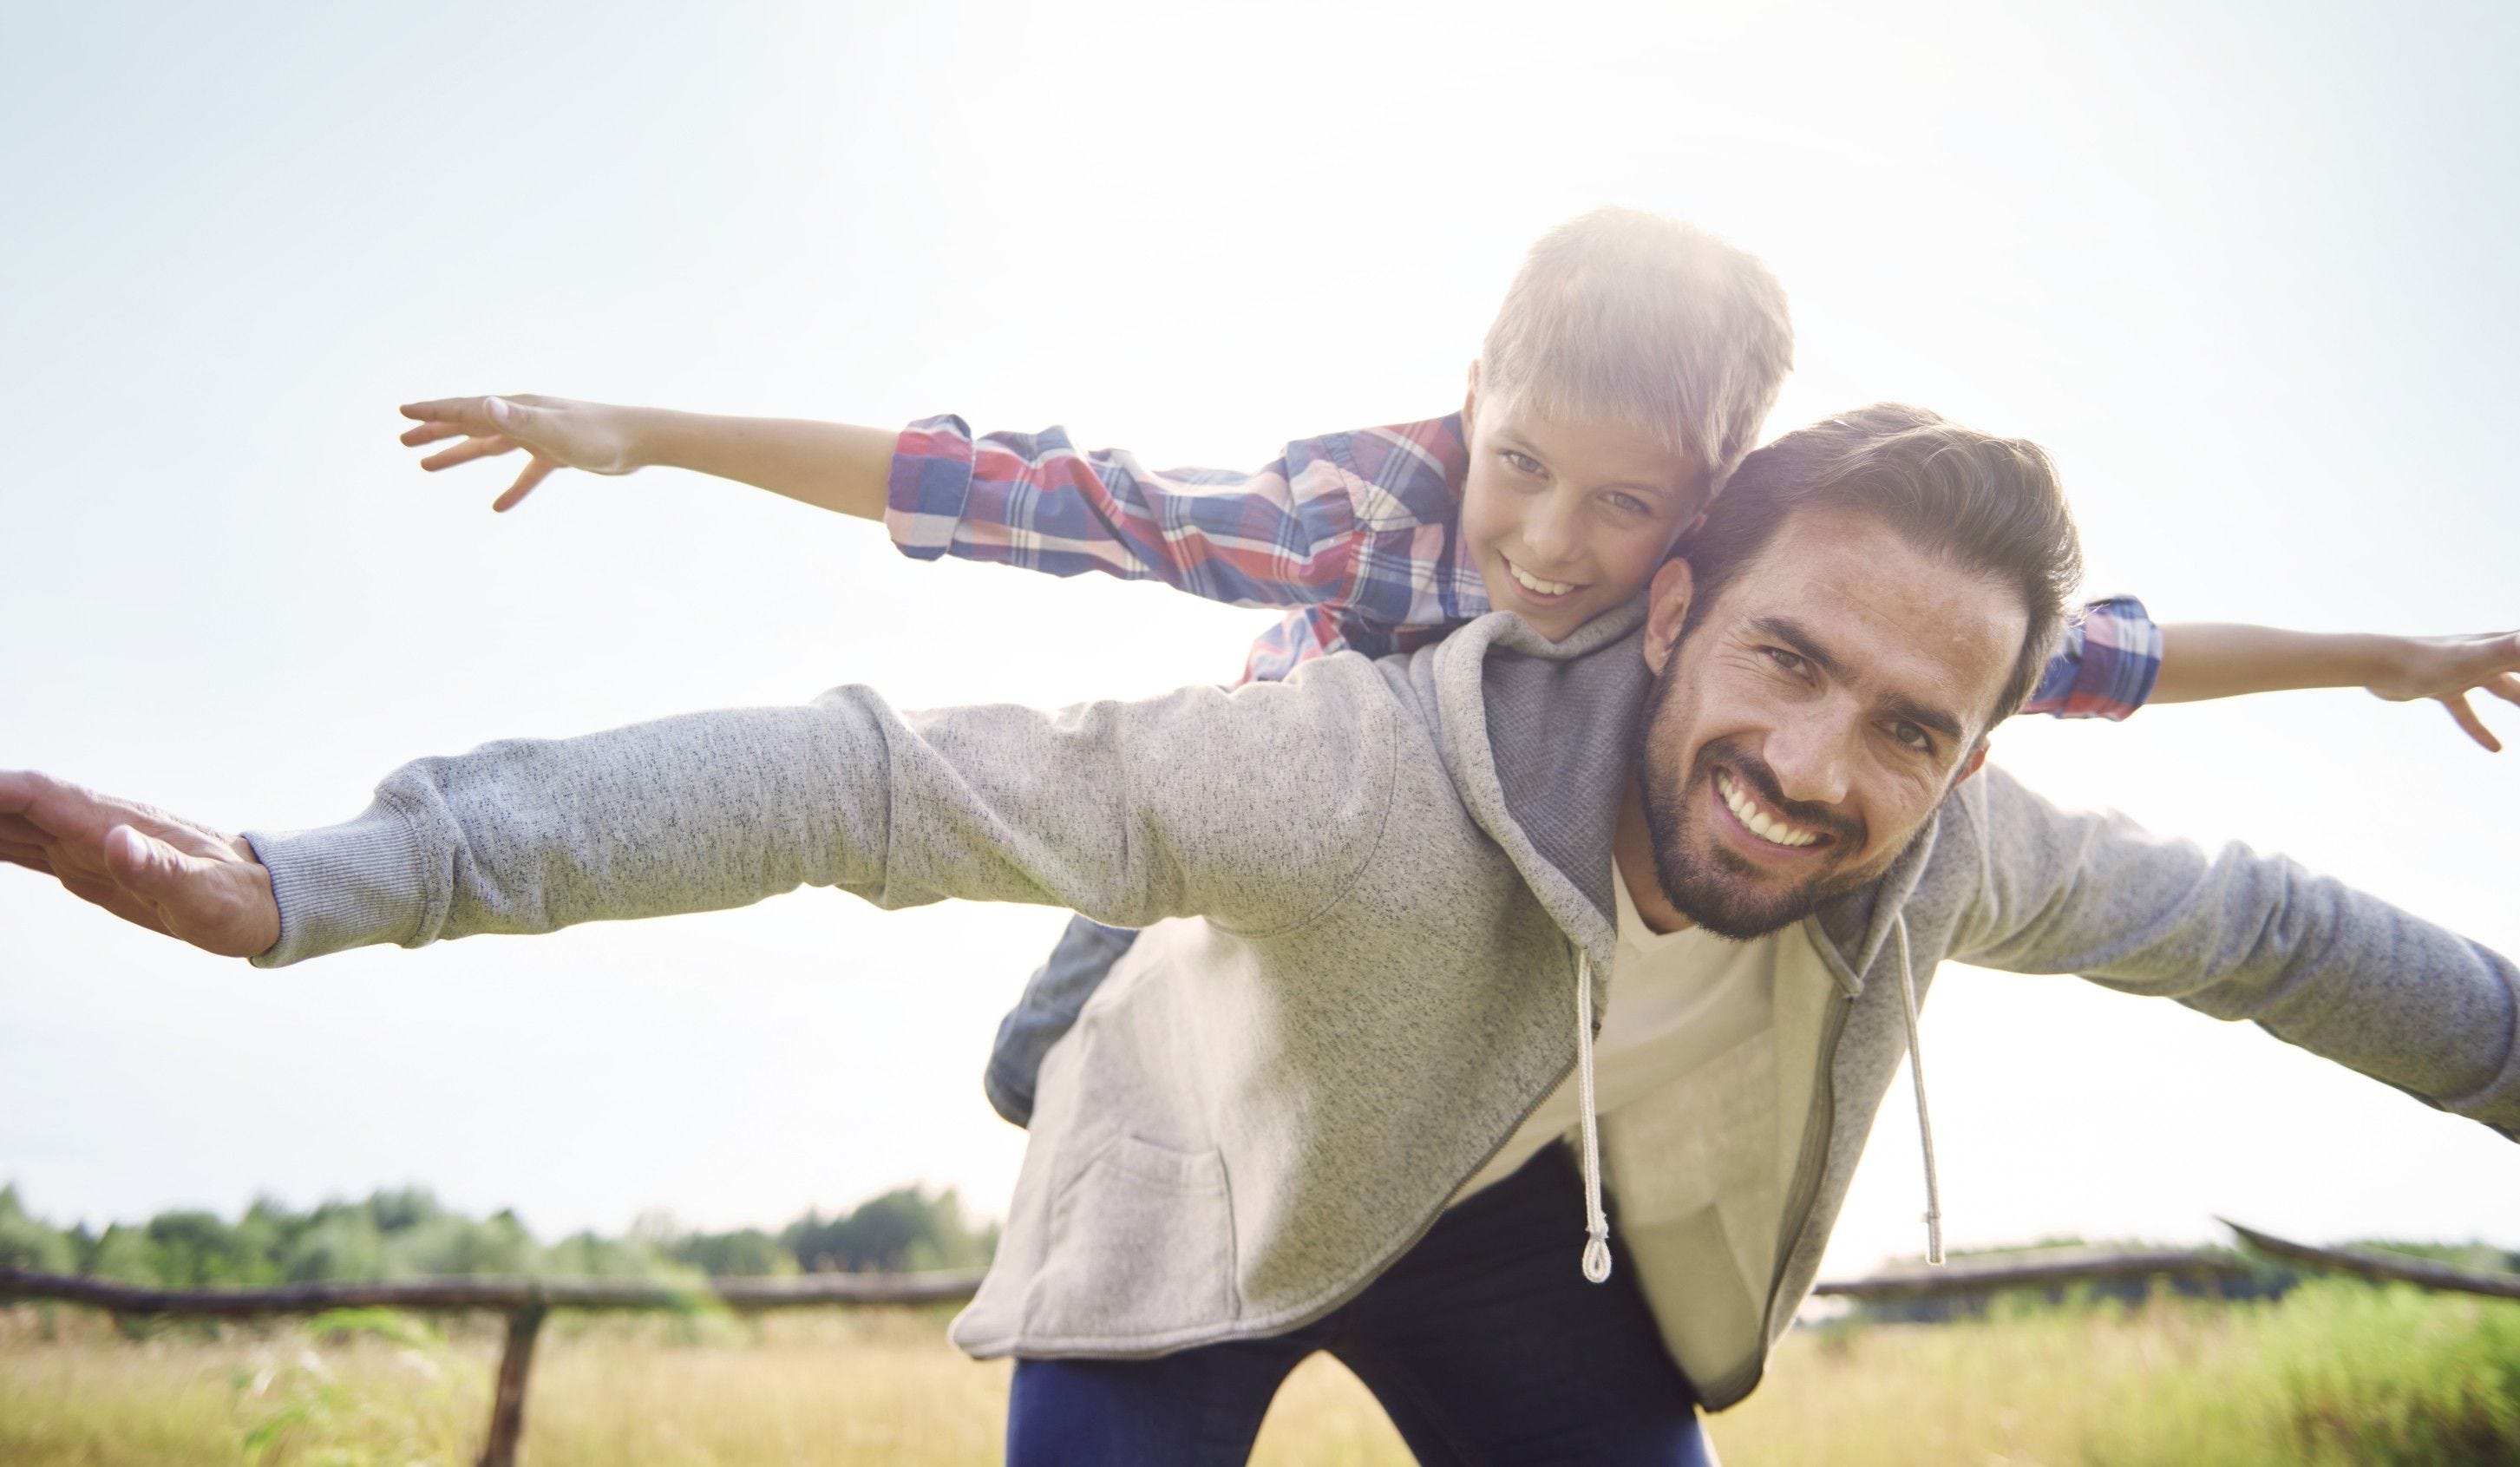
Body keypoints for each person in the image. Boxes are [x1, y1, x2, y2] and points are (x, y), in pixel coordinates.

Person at [6, 407, 2513, 1466]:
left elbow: (2274, 929)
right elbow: (865, 775)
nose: (1825, 766)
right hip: (1206, 1194)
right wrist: (336, 878)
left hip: (1554, 1246)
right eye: (1783, 661)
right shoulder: (1347, 755)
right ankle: (1070, 1024)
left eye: (1912, 722)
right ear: (1664, 614)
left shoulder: (1956, 836)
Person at [392, 209, 2520, 1130]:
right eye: (1524, 472)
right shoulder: (1342, 522)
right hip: (1257, 818)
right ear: (1468, 397)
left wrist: (2381, 654)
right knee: (1072, 1021)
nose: (1556, 545)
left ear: (1701, 504)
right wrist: (643, 431)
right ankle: (1091, 1110)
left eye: (1630, 510)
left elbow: (2101, 653)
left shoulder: (1750, 571)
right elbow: (1020, 489)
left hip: (1510, 887)